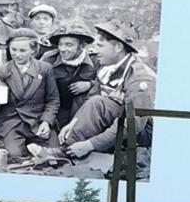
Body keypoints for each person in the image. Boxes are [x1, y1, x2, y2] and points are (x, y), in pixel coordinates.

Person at [58, 20, 156, 167]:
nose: (96, 50)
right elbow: (91, 96)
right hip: (116, 123)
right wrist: (73, 123)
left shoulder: (140, 77)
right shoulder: (108, 67)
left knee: (99, 103)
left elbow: (133, 124)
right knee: (90, 99)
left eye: (100, 46)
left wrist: (90, 144)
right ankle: (70, 148)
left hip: (139, 133)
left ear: (117, 47)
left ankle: (66, 152)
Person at [0, 28, 60, 159]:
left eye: (22, 50)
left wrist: (46, 122)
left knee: (54, 153)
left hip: (37, 121)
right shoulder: (2, 70)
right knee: (15, 156)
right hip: (12, 122)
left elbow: (53, 99)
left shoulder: (45, 69)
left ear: (33, 50)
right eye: (13, 50)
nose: (17, 54)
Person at [40, 23, 100, 129]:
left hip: (82, 111)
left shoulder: (95, 60)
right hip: (55, 109)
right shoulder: (49, 58)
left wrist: (90, 85)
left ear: (82, 46)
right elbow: (37, 88)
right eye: (60, 44)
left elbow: (108, 87)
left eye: (69, 45)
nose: (62, 49)